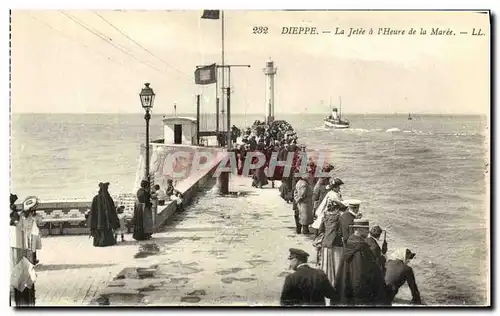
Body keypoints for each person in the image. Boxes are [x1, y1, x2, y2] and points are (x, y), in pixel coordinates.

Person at [333, 219, 387, 306]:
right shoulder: (361, 246)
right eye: (366, 229)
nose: (368, 232)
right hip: (359, 287)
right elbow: (361, 269)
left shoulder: (350, 241)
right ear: (358, 230)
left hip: (348, 282)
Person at [318, 199, 344, 293]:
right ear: (337, 209)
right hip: (336, 244)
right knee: (337, 265)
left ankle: (325, 284)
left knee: (326, 265)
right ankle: (336, 285)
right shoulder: (339, 218)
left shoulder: (325, 216)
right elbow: (341, 232)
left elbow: (321, 230)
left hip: (325, 244)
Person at [90, 183, 120, 247]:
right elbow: (113, 211)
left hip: (99, 221)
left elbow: (92, 212)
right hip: (106, 221)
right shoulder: (108, 198)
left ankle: (99, 242)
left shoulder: (96, 198)